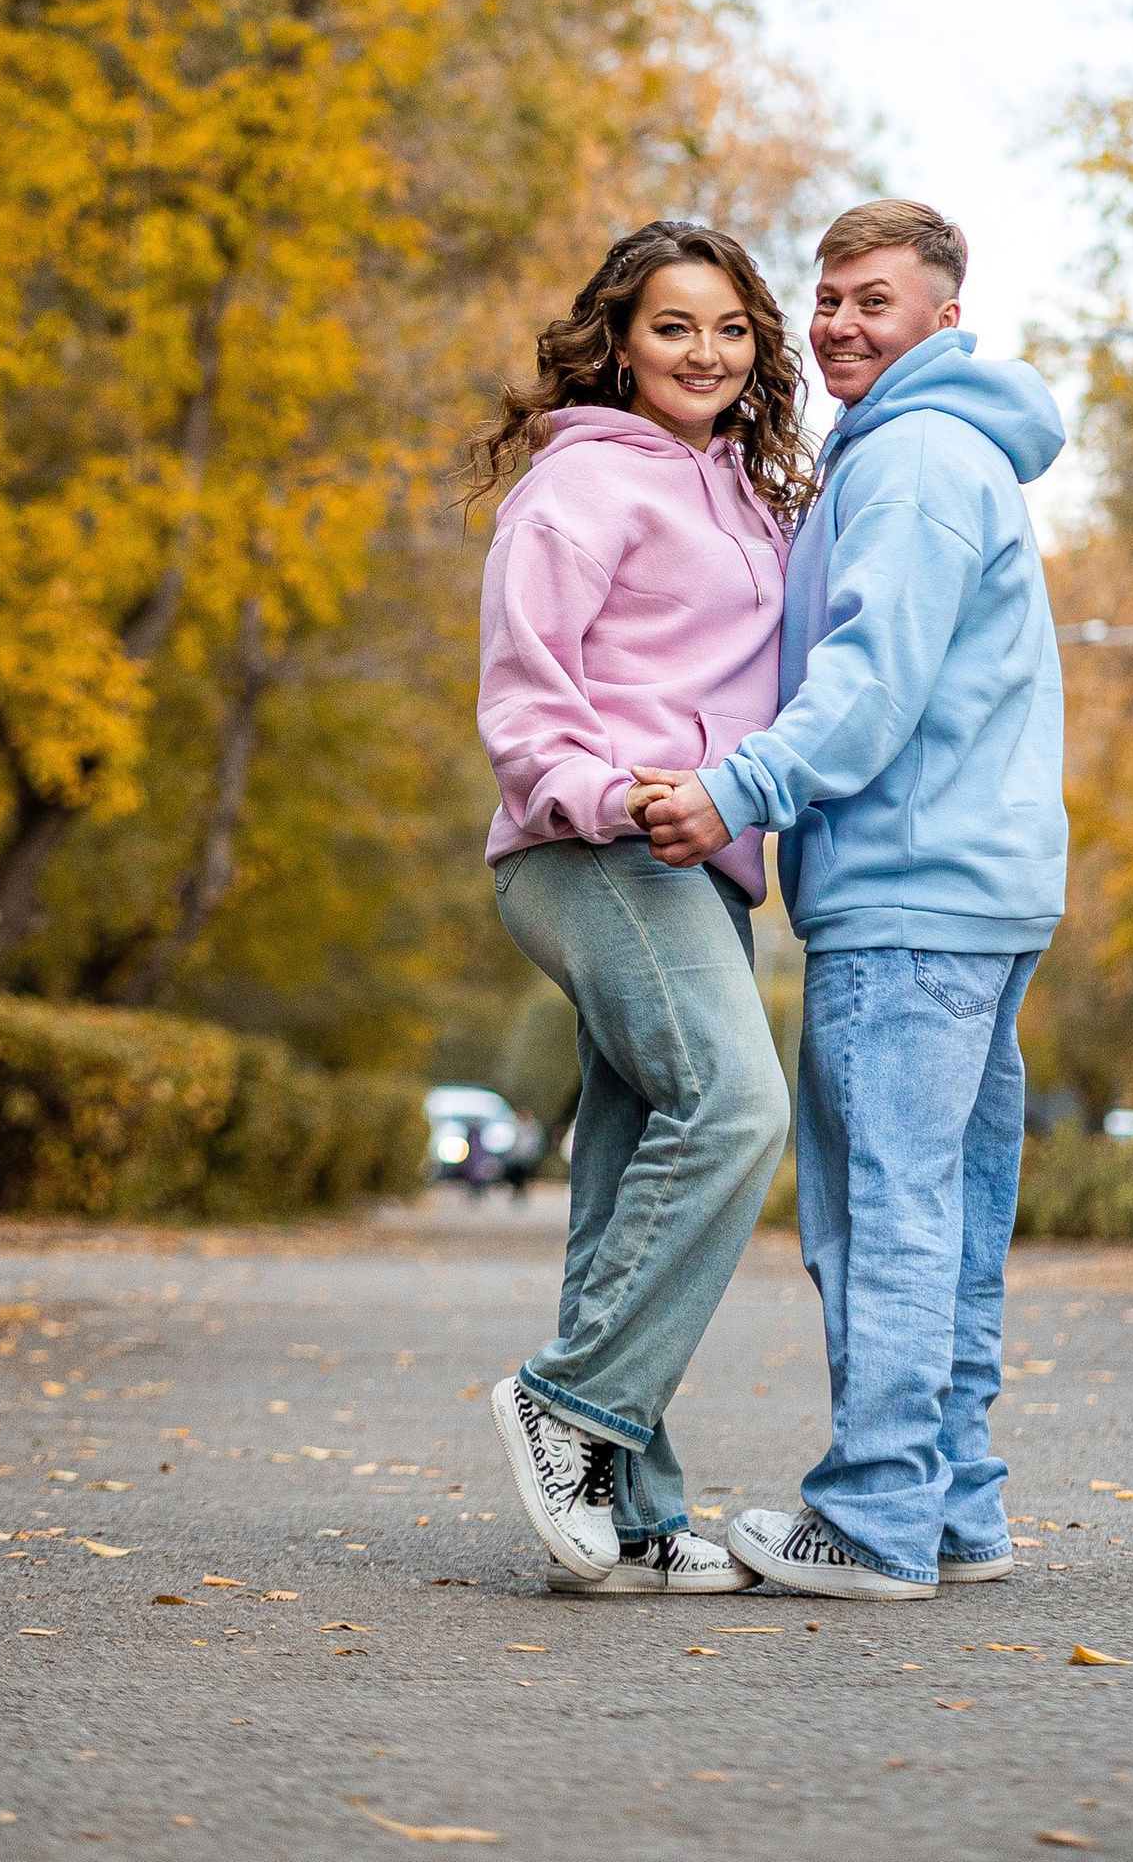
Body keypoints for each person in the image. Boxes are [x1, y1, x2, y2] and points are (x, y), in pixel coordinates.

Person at [634, 198, 1066, 1601]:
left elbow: (871, 682)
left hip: (908, 891)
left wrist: (734, 789)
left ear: (946, 316)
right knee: (943, 1207)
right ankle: (954, 1508)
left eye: (871, 300)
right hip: (975, 892)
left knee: (882, 1211)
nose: (836, 324)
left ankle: (877, 1517)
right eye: (826, 299)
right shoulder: (936, 452)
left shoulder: (917, 458)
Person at [473, 218, 812, 1596]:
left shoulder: (738, 487)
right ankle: (569, 1404)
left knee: (627, 1179)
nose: (707, 353)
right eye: (675, 326)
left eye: (731, 329)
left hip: (694, 867)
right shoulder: (576, 493)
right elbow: (523, 706)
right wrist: (620, 799)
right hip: (592, 852)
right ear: (618, 339)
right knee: (738, 1109)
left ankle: (630, 1514)